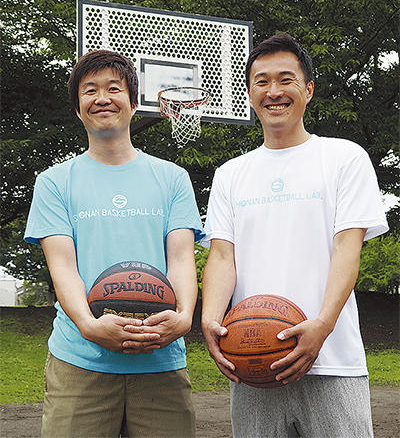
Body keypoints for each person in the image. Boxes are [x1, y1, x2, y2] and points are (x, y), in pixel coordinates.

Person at [201, 33, 388, 438]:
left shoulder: (344, 158)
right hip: (252, 359)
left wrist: (323, 325)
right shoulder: (230, 174)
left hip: (332, 361)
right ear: (249, 94)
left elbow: (347, 247)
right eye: (262, 82)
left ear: (309, 89)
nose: (274, 91)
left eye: (286, 79)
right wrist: (211, 318)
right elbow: (221, 256)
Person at [24, 49, 204, 438]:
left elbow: (180, 259)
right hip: (80, 359)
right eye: (90, 91)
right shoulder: (54, 182)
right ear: (78, 109)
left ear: (133, 103)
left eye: (113, 88)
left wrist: (185, 315)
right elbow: (63, 267)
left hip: (160, 359)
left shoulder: (173, 178)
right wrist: (89, 325)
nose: (102, 98)